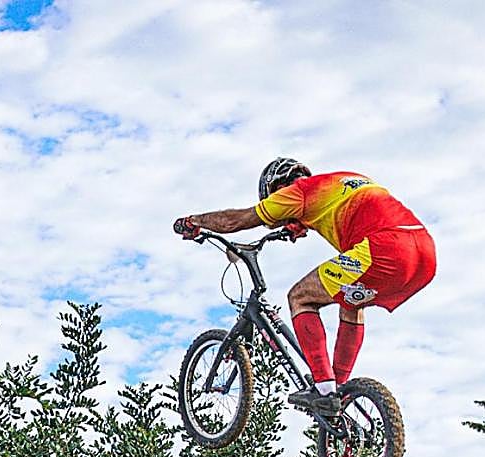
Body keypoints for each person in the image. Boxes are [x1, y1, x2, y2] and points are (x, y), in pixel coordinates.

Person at [177, 157, 437, 415]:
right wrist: (299, 224)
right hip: (424, 253)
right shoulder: (342, 179)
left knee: (300, 297)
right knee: (351, 303)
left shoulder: (296, 192)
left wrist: (195, 221)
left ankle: (324, 390)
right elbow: (339, 209)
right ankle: (340, 391)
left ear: (276, 187)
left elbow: (238, 220)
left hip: (384, 248)